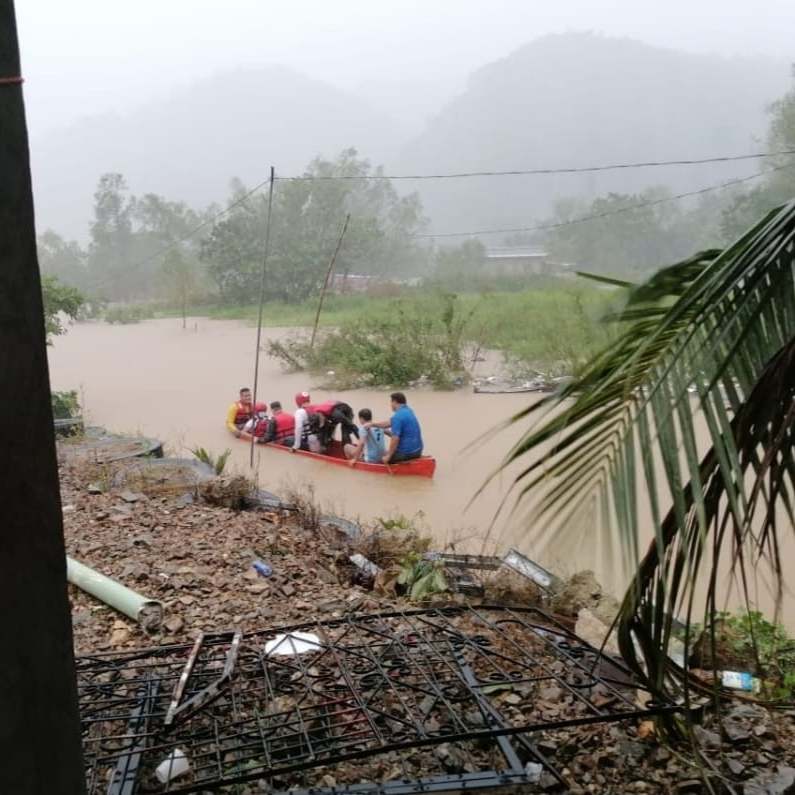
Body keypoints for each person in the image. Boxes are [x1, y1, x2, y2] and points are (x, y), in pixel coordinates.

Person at [368, 392, 423, 463]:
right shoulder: (409, 411)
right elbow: (388, 423)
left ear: (394, 402)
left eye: (391, 402)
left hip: (406, 454)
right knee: (387, 452)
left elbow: (395, 438)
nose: (390, 405)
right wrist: (372, 424)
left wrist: (388, 456)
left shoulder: (397, 417)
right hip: (418, 451)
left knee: (380, 458)